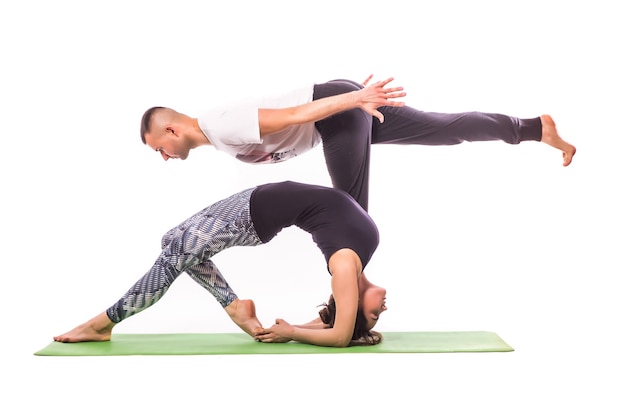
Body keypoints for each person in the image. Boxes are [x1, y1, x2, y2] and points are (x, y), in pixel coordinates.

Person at [140, 75, 577, 211]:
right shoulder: (218, 135)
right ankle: (535, 128)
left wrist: (354, 99)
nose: (162, 156)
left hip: (339, 109)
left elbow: (294, 115)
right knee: (444, 130)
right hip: (343, 108)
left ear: (172, 131)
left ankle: (346, 309)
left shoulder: (221, 124)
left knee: (347, 210)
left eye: (157, 146)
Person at [53, 181, 387, 348]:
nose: (382, 308)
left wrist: (291, 333)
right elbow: (334, 325)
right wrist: (311, 326)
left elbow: (341, 336)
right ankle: (235, 306)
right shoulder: (361, 254)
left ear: (352, 302)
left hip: (248, 217)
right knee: (172, 241)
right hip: (251, 201)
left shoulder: (345, 267)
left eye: (373, 314)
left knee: (173, 256)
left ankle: (102, 323)